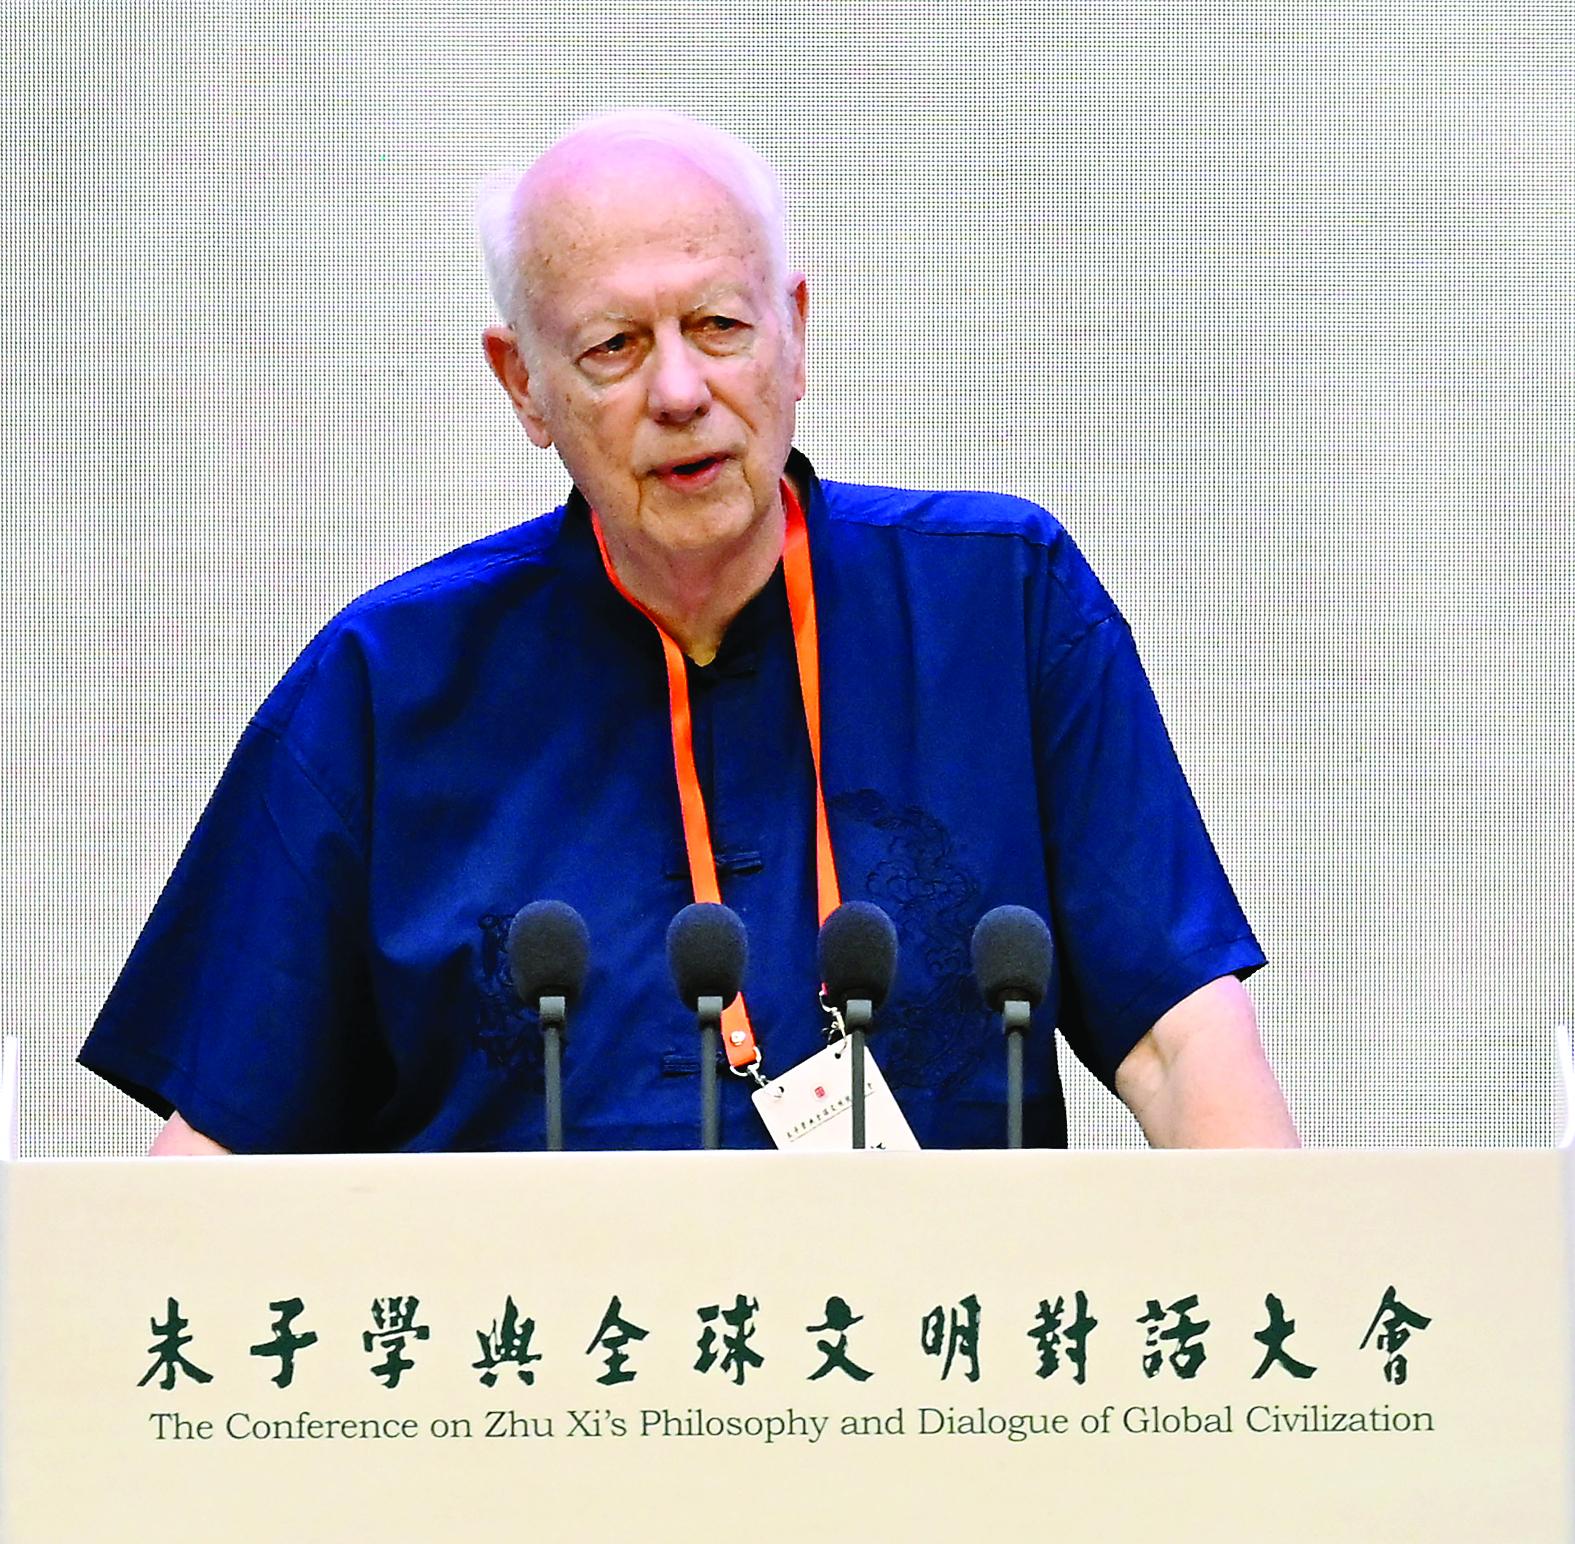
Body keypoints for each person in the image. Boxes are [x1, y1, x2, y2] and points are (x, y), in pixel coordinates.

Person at [80, 111, 1298, 1156]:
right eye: (613, 346)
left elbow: (1183, 1044)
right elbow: (213, 1158)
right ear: (524, 384)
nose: (679, 391)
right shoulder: (384, 684)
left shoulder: (1005, 602)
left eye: (719, 325)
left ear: (795, 332)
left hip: (921, 1350)